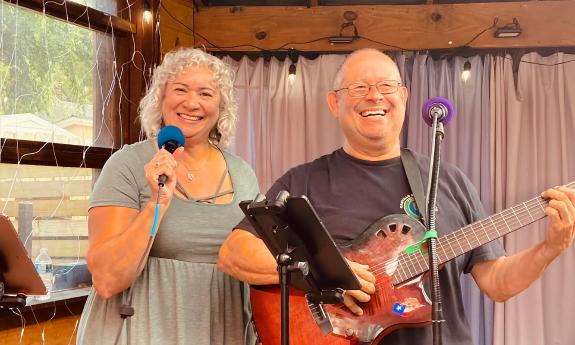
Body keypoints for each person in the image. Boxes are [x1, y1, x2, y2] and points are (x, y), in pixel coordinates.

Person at [217, 48, 575, 344]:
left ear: (403, 96)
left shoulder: (446, 180)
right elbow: (234, 254)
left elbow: (497, 282)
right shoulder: (305, 181)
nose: (375, 96)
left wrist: (550, 247)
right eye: (359, 88)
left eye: (386, 85)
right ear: (333, 102)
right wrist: (329, 274)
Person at [77, 48, 259, 345]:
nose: (191, 102)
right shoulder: (127, 166)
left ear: (221, 108)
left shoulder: (243, 175)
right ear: (161, 98)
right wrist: (156, 204)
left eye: (206, 93)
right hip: (140, 331)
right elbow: (107, 280)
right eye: (180, 89)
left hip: (222, 331)